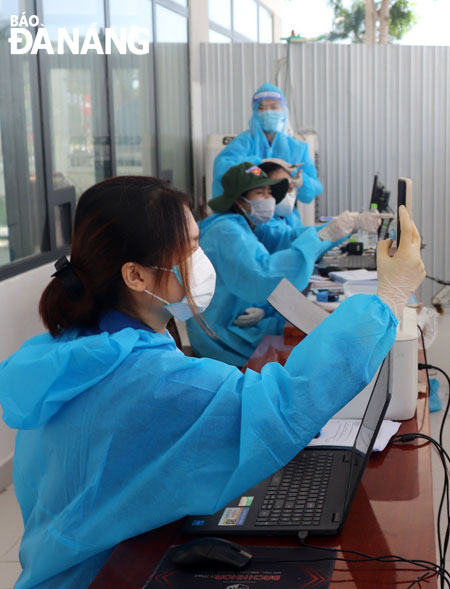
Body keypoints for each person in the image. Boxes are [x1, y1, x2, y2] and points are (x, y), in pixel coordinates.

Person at [0, 176, 425, 588]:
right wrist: (386, 301)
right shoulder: (151, 378)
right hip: (105, 575)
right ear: (135, 276)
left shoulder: (72, 349)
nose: (202, 262)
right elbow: (281, 404)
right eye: (189, 249)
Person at [187, 163, 381, 366]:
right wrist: (322, 237)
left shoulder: (247, 225)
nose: (269, 199)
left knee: (308, 330)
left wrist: (342, 227)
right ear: (239, 200)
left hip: (238, 318)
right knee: (310, 347)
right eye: (260, 193)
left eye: (269, 192)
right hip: (222, 336)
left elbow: (288, 238)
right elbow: (263, 275)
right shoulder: (226, 231)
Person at [212, 83, 322, 228]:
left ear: (283, 111)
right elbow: (222, 168)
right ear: (255, 113)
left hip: (285, 219)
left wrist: (300, 181)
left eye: (274, 107)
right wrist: (260, 164)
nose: (268, 112)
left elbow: (313, 189)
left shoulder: (297, 148)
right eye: (262, 108)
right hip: (250, 217)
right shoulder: (244, 142)